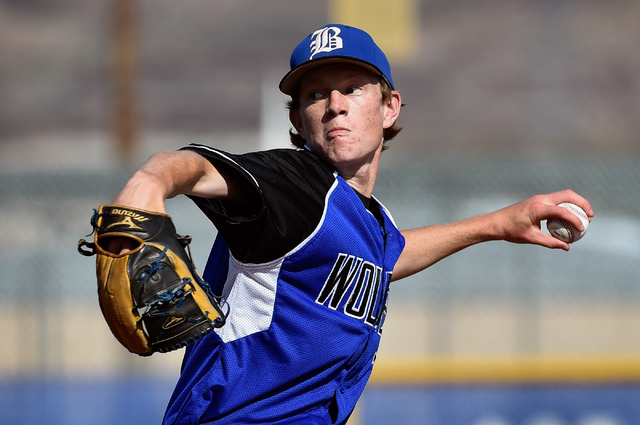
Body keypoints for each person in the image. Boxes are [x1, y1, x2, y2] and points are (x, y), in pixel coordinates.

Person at [109, 24, 593, 425]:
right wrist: (151, 181)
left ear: (389, 107)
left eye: (352, 88)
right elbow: (194, 165)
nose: (334, 104)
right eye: (315, 94)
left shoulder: (367, 220)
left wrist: (499, 223)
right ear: (298, 120)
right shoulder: (295, 185)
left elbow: (388, 255)